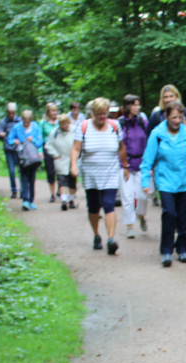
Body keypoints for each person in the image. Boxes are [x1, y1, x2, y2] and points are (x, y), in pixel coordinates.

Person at [140, 101, 186, 267]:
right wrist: (144, 181)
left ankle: (183, 248)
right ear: (166, 116)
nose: (177, 120)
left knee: (183, 216)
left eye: (180, 117)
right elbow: (147, 160)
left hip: (185, 181)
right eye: (174, 117)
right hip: (165, 181)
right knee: (169, 214)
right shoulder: (157, 134)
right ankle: (167, 251)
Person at [70, 97, 128, 255]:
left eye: (104, 113)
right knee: (94, 207)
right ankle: (96, 235)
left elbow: (121, 148)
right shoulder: (83, 126)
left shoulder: (114, 126)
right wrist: (74, 165)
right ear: (92, 113)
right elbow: (76, 149)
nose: (102, 116)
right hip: (90, 174)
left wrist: (125, 166)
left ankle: (110, 239)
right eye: (98, 114)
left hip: (110, 172)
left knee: (109, 204)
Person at [118, 94, 149, 238]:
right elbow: (117, 145)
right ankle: (129, 226)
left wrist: (150, 164)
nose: (138, 107)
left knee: (143, 195)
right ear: (128, 106)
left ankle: (141, 215)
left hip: (142, 164)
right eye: (135, 105)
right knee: (128, 197)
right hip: (125, 165)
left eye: (138, 105)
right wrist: (123, 164)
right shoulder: (120, 124)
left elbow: (150, 143)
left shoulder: (143, 122)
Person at [6, 109, 44, 211]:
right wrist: (15, 141)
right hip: (22, 156)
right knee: (23, 177)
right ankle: (25, 200)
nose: (26, 124)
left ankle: (31, 200)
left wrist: (34, 140)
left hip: (32, 156)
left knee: (32, 178)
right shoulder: (17, 127)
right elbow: (9, 139)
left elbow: (40, 142)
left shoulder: (35, 127)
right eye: (25, 121)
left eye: (28, 121)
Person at [45, 113, 77, 210]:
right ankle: (64, 200)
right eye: (61, 124)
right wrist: (56, 155)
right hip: (61, 160)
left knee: (72, 181)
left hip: (72, 160)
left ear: (68, 123)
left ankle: (71, 200)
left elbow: (79, 144)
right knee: (62, 181)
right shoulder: (55, 133)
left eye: (65, 124)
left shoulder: (75, 131)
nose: (63, 126)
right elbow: (48, 145)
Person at [0, 102, 20, 198]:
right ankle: (14, 190)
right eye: (9, 113)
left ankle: (23, 191)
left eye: (13, 113)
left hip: (19, 150)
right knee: (11, 171)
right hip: (8, 149)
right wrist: (1, 134)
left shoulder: (20, 120)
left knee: (21, 170)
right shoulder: (3, 121)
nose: (11, 115)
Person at [40, 102, 60, 203]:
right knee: (50, 171)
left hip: (60, 148)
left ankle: (61, 190)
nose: (55, 113)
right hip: (47, 149)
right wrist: (40, 151)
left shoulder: (60, 122)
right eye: (53, 111)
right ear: (48, 112)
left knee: (61, 170)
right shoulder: (43, 123)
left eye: (56, 110)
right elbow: (39, 138)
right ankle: (52, 194)